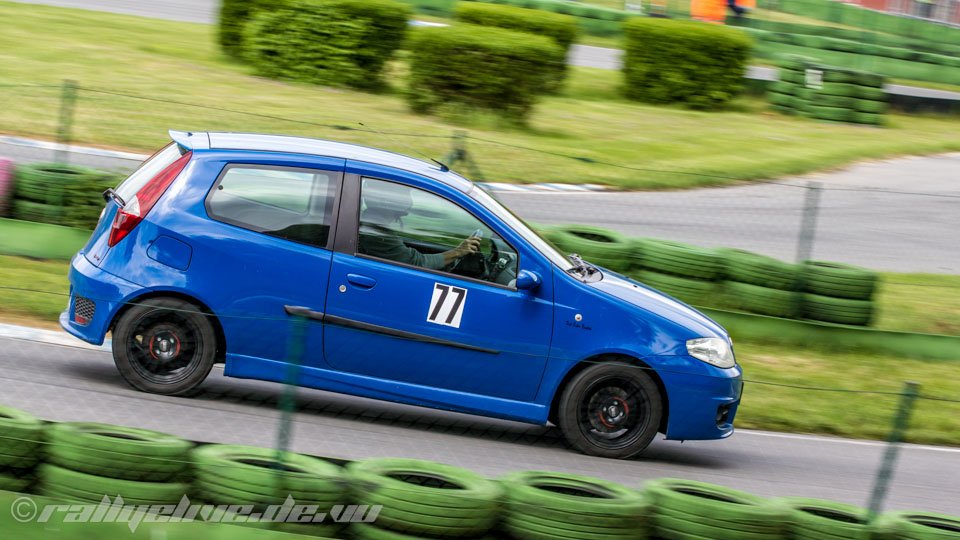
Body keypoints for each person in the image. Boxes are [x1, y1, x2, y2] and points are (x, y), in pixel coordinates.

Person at [358, 180, 481, 270]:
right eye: (404, 194)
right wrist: (458, 252)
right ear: (387, 200)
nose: (408, 199)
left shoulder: (373, 222)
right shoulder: (375, 231)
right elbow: (416, 263)